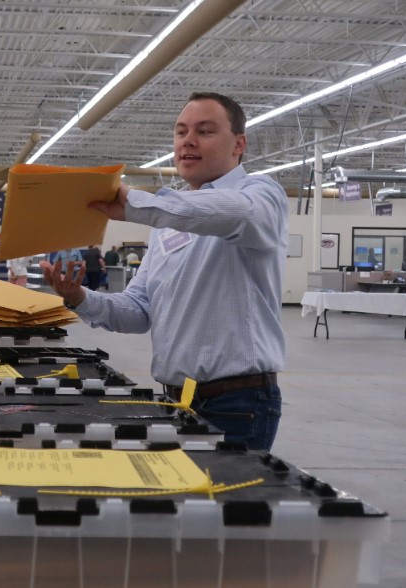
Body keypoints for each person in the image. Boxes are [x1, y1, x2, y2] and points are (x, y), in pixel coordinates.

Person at [41, 92, 287, 451]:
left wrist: (138, 202)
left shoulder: (262, 195)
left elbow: (236, 213)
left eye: (204, 131)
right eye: (181, 131)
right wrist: (78, 297)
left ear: (239, 144)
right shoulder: (166, 222)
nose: (188, 140)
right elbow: (140, 310)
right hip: (176, 401)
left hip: (238, 403)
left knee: (224, 505)